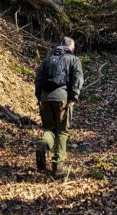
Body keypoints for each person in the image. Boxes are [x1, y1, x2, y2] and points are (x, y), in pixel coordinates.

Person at [35, 36, 84, 177]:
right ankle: (57, 166)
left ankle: (42, 146)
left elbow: (38, 79)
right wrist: (74, 96)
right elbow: (78, 79)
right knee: (62, 131)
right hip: (62, 98)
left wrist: (39, 97)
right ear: (71, 47)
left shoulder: (47, 60)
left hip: (45, 98)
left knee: (49, 129)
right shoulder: (73, 59)